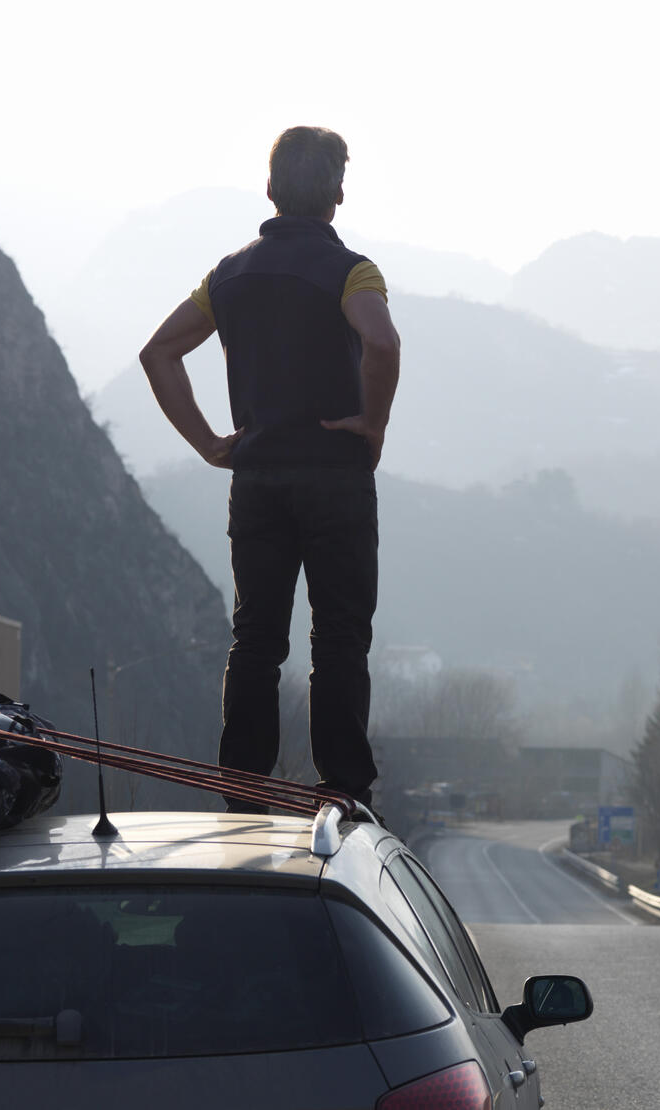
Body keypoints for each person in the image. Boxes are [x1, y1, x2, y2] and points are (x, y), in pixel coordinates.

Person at [139, 126, 401, 814]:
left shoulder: (227, 276)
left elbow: (159, 353)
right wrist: (372, 425)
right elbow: (381, 341)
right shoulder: (353, 273)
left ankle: (242, 785)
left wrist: (207, 443)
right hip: (335, 478)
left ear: (269, 189)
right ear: (337, 195)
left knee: (256, 638)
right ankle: (341, 789)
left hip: (255, 482)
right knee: (338, 636)